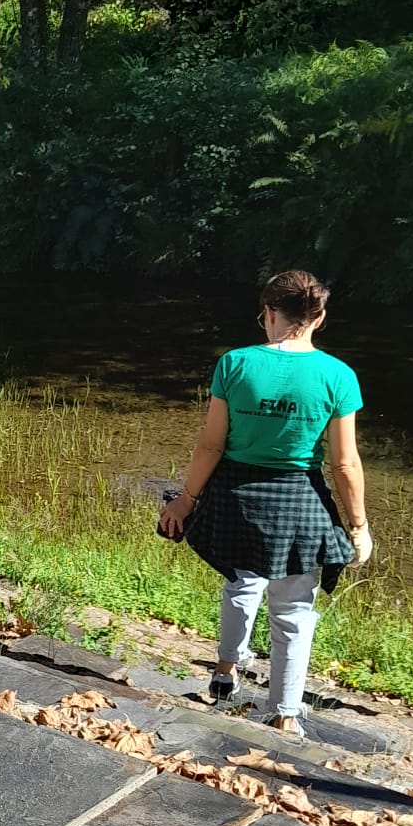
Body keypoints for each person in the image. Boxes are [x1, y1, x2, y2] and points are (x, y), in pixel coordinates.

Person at [158, 267, 372, 738]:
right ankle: (285, 714)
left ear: (269, 313)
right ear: (319, 317)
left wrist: (185, 501)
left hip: (236, 498)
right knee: (293, 611)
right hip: (300, 500)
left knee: (241, 581)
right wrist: (358, 526)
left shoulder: (235, 364)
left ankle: (225, 670)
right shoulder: (339, 375)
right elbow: (344, 464)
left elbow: (211, 445)